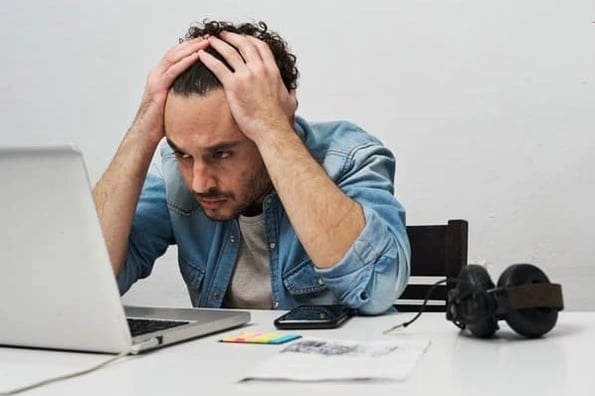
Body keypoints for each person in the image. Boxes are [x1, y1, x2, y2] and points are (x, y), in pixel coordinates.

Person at [93, 20, 410, 315]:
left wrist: (274, 129)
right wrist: (141, 135)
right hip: (221, 370)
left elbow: (376, 288)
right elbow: (88, 285)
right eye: (184, 154)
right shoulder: (175, 178)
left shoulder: (349, 157)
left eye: (222, 153)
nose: (200, 182)